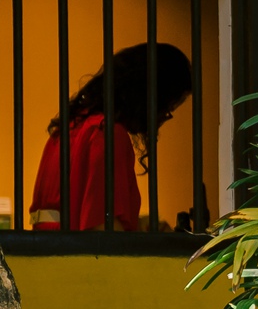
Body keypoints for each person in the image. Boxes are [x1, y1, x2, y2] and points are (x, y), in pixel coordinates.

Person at [28, 43, 194, 232]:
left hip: (47, 253)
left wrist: (139, 227)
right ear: (149, 96)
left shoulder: (71, 127)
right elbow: (103, 231)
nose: (164, 117)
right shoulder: (107, 134)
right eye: (168, 107)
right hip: (78, 258)